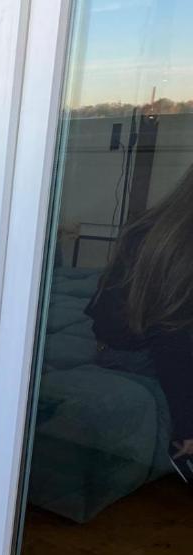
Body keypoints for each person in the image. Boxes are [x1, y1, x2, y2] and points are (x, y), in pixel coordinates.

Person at [86, 164, 193, 481]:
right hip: (128, 350)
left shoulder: (157, 224)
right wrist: (187, 426)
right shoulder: (177, 244)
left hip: (137, 335)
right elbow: (171, 338)